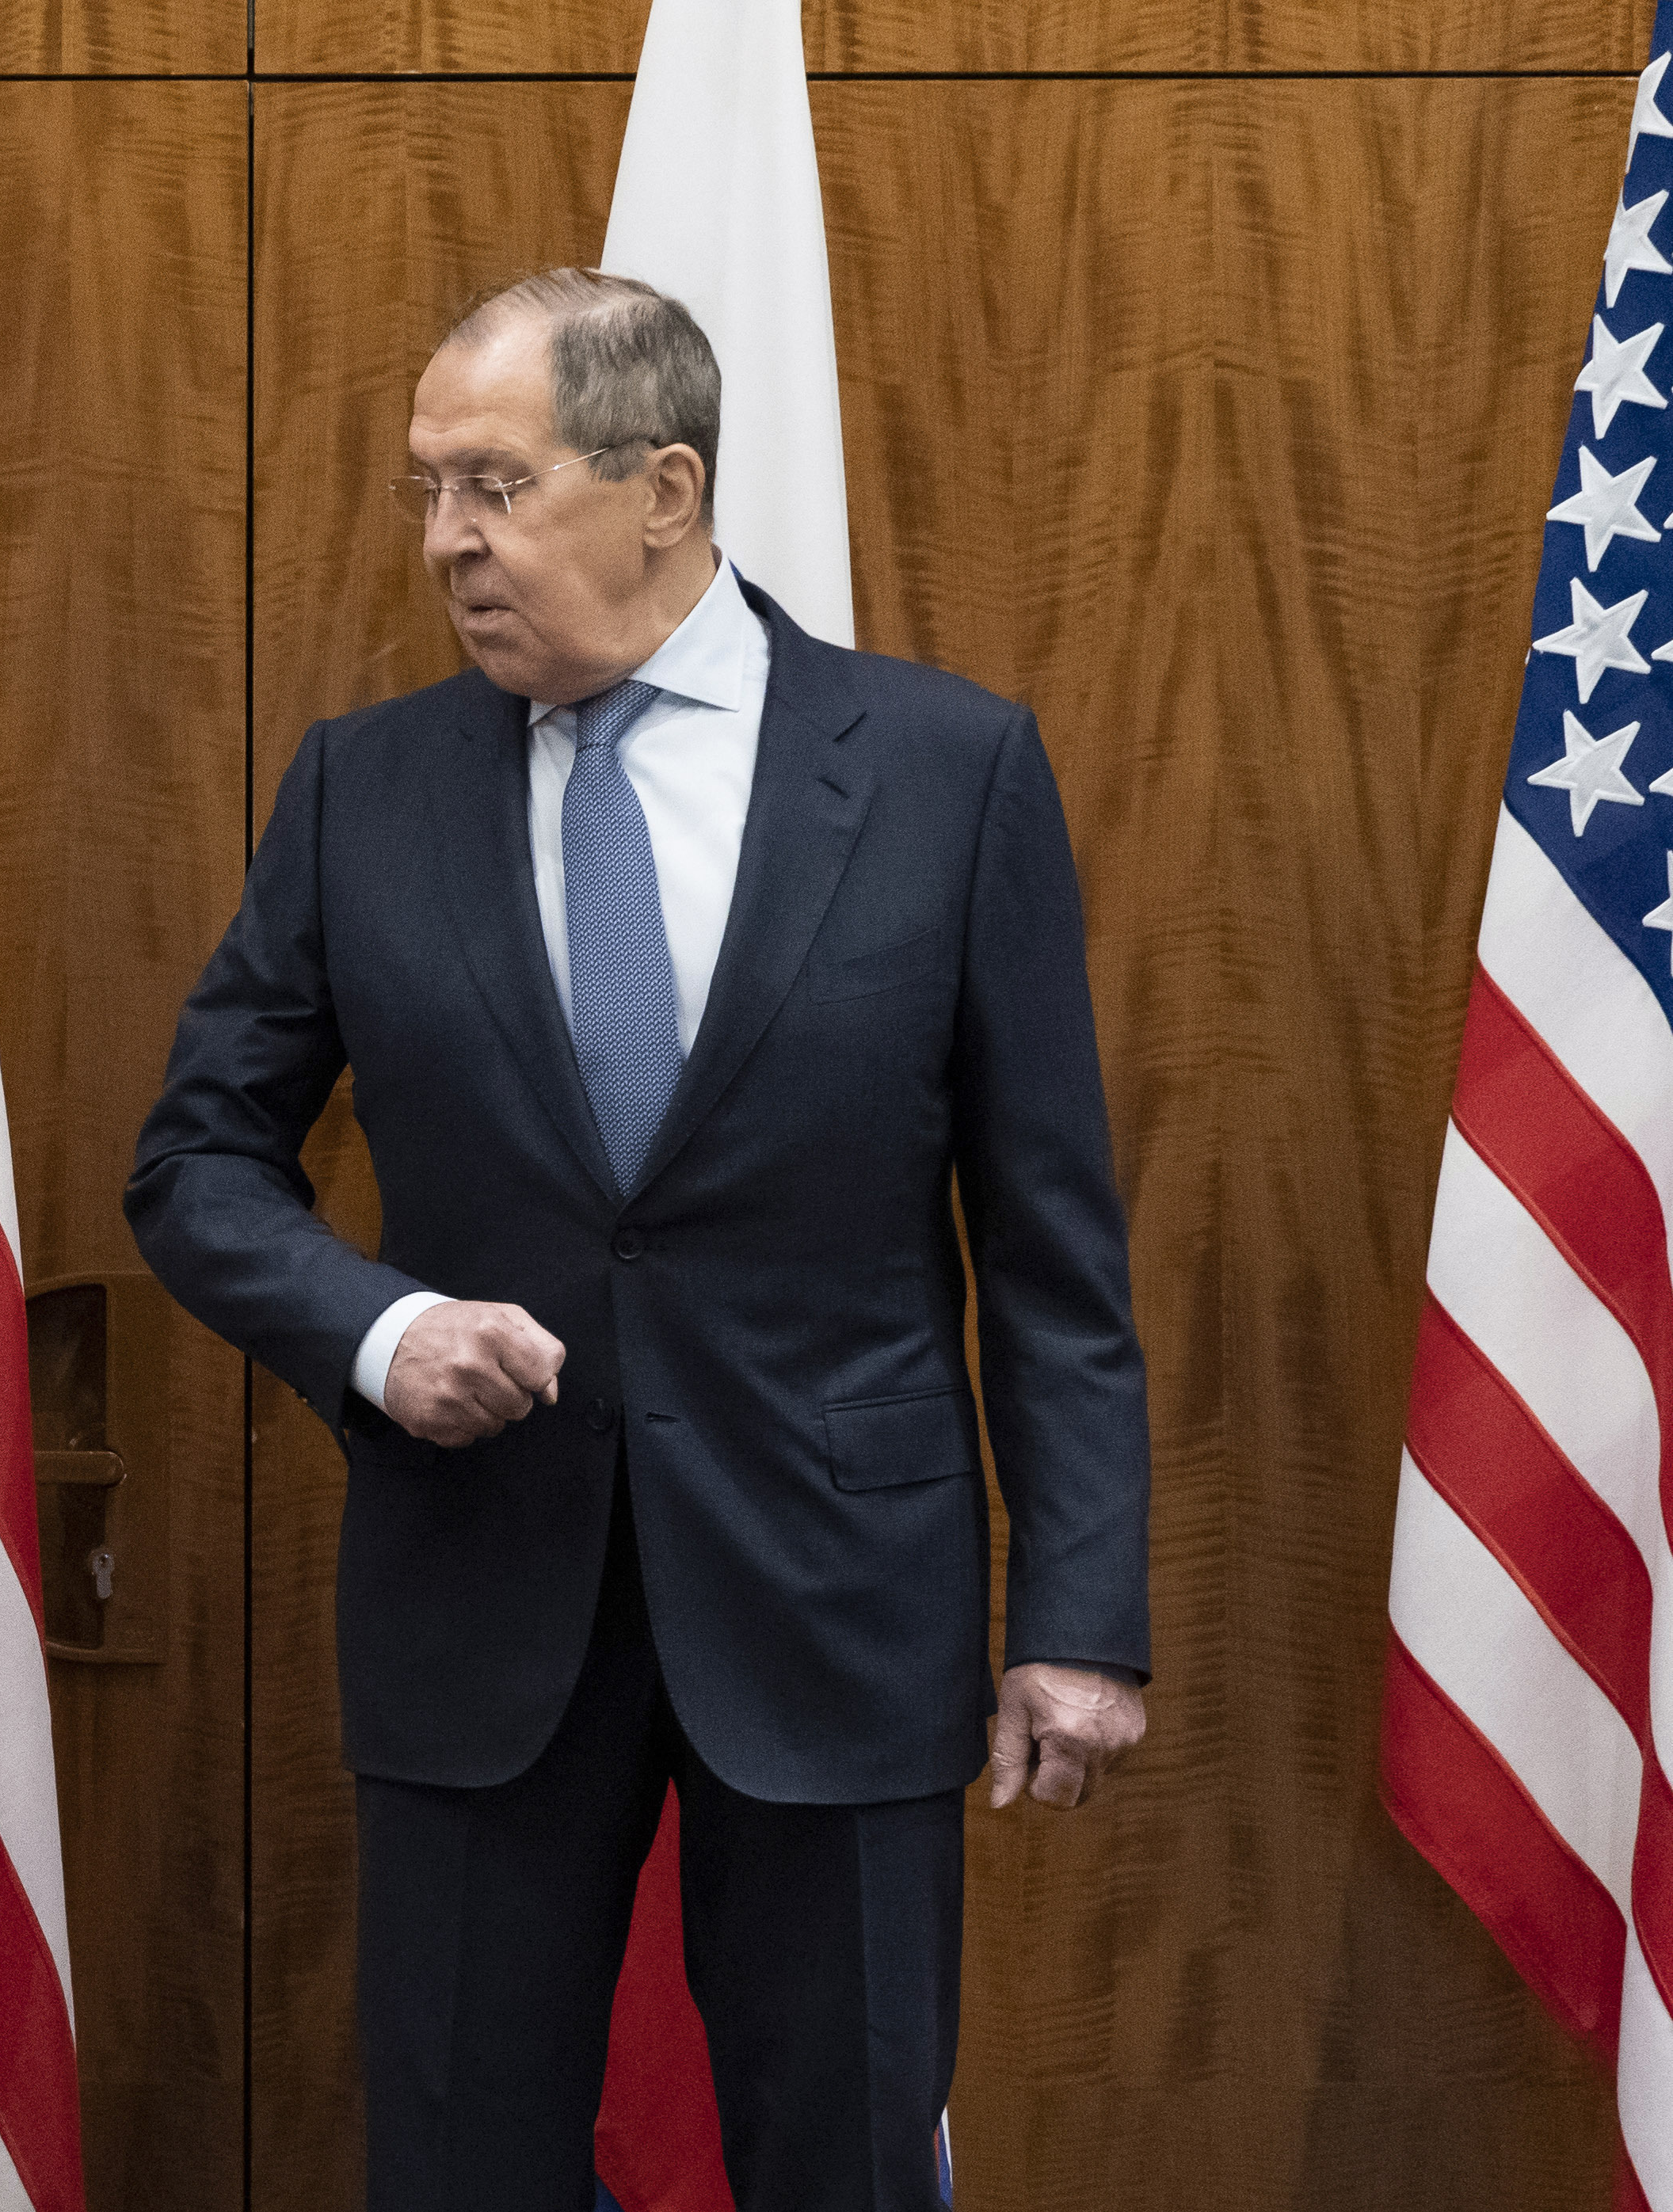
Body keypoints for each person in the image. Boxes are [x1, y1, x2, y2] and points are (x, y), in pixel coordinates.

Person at [126, 270, 1152, 2210]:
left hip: (840, 1597)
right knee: (455, 2158)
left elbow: (1048, 1239)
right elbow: (194, 1162)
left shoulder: (945, 772)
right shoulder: (367, 786)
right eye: (427, 488)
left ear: (664, 488)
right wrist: (374, 1324)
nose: (443, 540)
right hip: (478, 1605)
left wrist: (1079, 1615)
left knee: (840, 2155)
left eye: (492, 486)